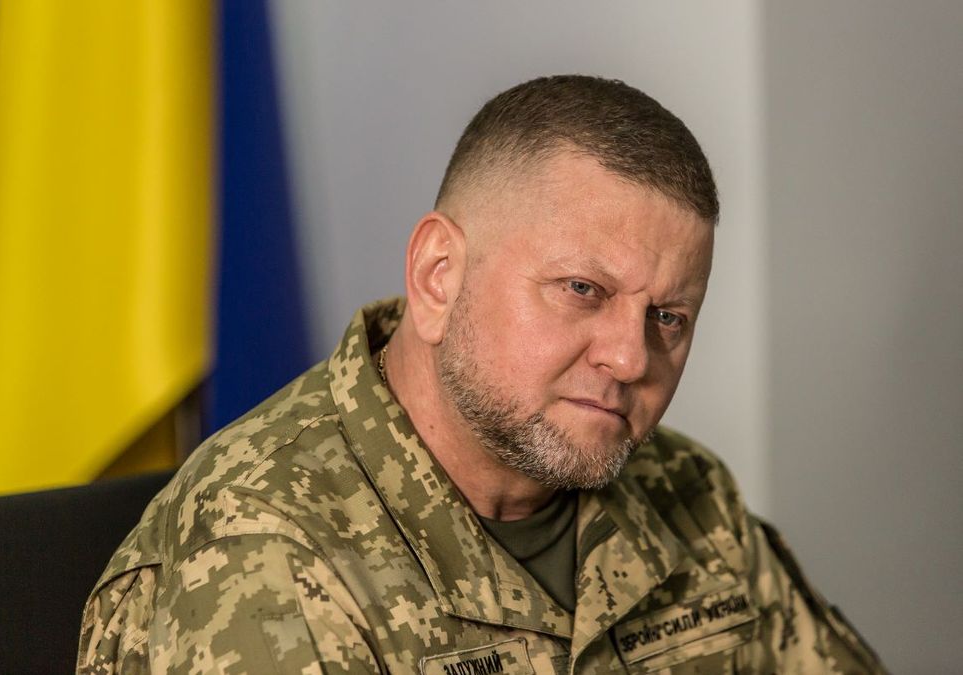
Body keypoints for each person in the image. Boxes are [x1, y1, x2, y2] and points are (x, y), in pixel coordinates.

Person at [78, 75, 885, 674]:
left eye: (668, 317)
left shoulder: (685, 493)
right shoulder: (264, 544)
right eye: (583, 289)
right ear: (438, 276)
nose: (631, 358)